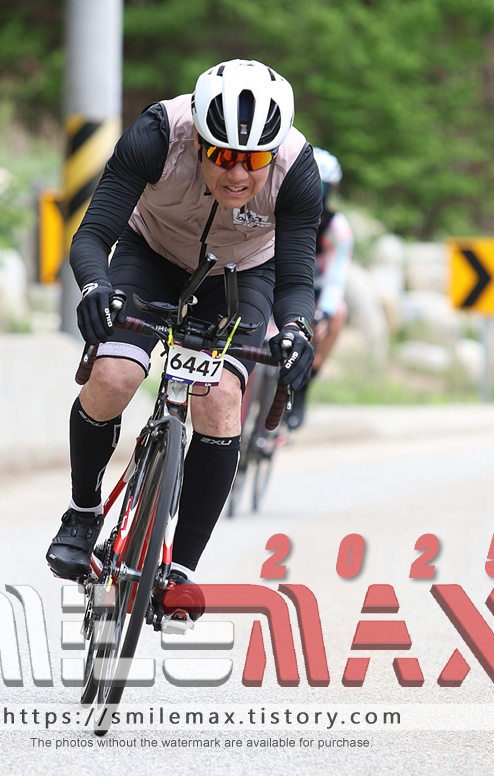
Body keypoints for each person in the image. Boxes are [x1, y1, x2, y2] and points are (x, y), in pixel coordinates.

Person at [45, 59, 322, 599]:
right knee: (115, 374)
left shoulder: (296, 169)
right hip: (150, 254)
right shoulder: (158, 135)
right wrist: (95, 287)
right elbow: (92, 234)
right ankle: (82, 513)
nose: (237, 175)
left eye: (253, 161)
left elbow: (295, 278)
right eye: (223, 156)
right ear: (198, 140)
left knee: (220, 397)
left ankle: (182, 570)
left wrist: (295, 330)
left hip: (242, 274)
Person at [285, 147, 353, 430]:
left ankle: (304, 385)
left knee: (338, 313)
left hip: (315, 290)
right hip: (280, 284)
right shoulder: (280, 210)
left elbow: (337, 279)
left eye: (321, 188)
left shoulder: (337, 229)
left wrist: (324, 312)